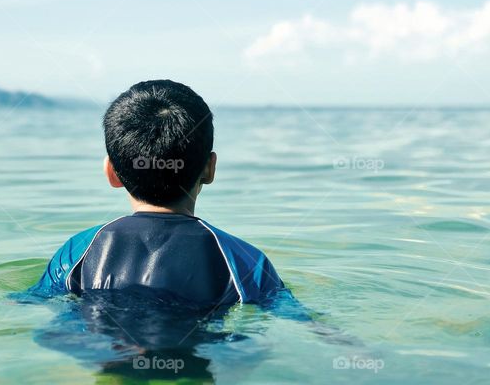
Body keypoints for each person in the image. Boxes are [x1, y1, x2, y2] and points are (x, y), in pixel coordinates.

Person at [26, 79, 301, 310]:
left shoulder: (78, 251)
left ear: (111, 172)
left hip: (104, 362)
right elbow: (302, 323)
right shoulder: (244, 261)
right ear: (210, 168)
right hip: (197, 366)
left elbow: (28, 305)